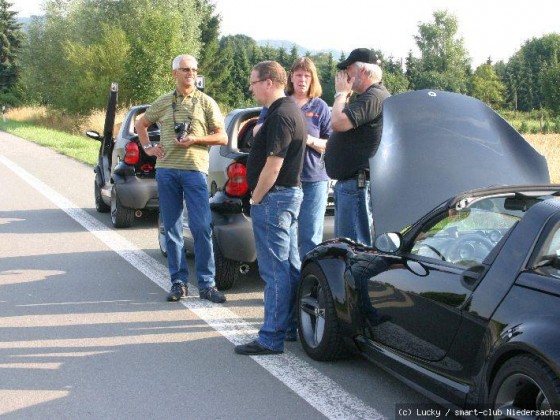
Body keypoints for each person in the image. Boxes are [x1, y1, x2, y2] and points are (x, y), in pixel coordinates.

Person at [135, 54, 228, 303]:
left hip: (195, 171)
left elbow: (222, 137)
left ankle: (207, 285)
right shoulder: (164, 102)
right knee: (172, 229)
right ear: (174, 73)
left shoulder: (206, 102)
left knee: (201, 227)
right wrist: (148, 148)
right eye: (185, 69)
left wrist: (196, 139)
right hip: (166, 170)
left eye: (194, 70)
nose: (190, 74)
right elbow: (140, 123)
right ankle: (178, 283)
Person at [235, 61, 307, 355]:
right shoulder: (289, 110)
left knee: (275, 271)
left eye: (252, 83)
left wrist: (256, 198)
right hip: (286, 197)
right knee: (288, 268)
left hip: (275, 198)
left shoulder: (281, 115)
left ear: (267, 82)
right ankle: (288, 327)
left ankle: (270, 338)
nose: (251, 88)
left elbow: (273, 166)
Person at [254, 57, 331, 259]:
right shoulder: (278, 103)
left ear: (313, 79)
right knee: (287, 238)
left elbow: (330, 144)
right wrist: (285, 129)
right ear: (291, 77)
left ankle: (311, 282)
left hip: (313, 179)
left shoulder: (320, 106)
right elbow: (256, 131)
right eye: (298, 75)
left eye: (307, 75)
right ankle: (294, 284)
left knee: (310, 236)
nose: (302, 80)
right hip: (285, 180)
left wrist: (307, 138)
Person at [324, 48, 390, 247]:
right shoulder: (371, 96)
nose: (345, 75)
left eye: (348, 69)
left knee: (353, 249)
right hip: (353, 185)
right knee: (350, 247)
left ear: (363, 71)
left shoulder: (374, 96)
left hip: (357, 186)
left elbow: (337, 122)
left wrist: (341, 94)